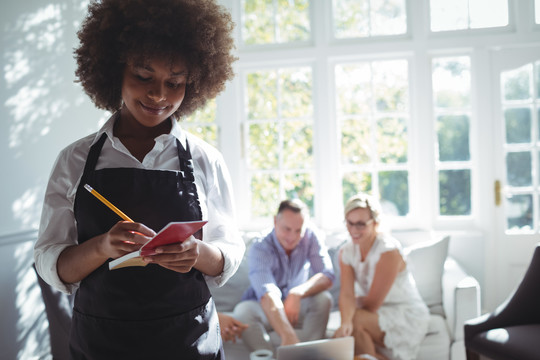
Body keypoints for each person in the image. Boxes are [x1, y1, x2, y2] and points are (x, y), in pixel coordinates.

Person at [33, 0, 244, 358]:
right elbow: (52, 262)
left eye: (174, 83)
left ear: (193, 83)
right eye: (143, 77)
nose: (159, 95)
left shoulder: (206, 160)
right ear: (115, 70)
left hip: (188, 340)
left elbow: (229, 252)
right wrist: (101, 247)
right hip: (102, 342)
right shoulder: (75, 160)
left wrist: (195, 252)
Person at [333, 193, 429, 360]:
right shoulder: (346, 251)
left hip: (404, 313)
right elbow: (346, 294)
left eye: (361, 224)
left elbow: (372, 304)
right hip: (377, 313)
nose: (354, 230)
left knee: (353, 323)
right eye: (350, 223)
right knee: (344, 333)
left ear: (375, 223)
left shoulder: (388, 251)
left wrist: (352, 305)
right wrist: (345, 322)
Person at [233, 199, 335, 354]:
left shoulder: (310, 236)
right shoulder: (260, 246)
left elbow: (327, 275)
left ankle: (307, 354)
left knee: (324, 299)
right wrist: (288, 336)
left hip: (297, 306)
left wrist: (297, 293)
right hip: (265, 307)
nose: (292, 236)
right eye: (287, 229)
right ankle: (272, 356)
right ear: (275, 221)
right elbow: (268, 294)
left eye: (298, 230)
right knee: (242, 312)